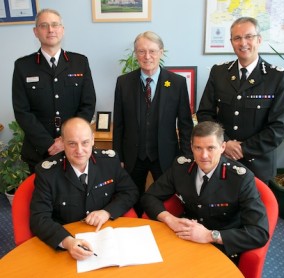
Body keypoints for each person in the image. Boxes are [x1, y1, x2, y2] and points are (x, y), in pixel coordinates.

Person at [141, 121, 269, 264]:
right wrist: (170, 219)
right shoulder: (181, 167)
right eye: (198, 148)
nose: (204, 155)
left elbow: (259, 233)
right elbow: (149, 197)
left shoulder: (241, 179)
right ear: (191, 147)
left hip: (221, 247)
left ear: (222, 147)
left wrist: (210, 236)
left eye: (211, 148)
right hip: (185, 238)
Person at [196, 17, 284, 184]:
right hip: (221, 161)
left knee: (256, 210)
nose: (243, 43)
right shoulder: (219, 72)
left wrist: (242, 149)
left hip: (258, 166)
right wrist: (225, 142)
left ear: (259, 40)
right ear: (231, 42)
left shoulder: (277, 77)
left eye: (249, 36)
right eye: (237, 38)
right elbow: (205, 114)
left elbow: (278, 127)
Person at [30, 117, 138, 260]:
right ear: (62, 142)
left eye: (85, 142)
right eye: (72, 144)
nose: (80, 151)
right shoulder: (47, 174)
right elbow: (39, 218)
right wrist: (68, 242)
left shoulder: (109, 163)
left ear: (93, 140)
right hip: (67, 241)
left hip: (104, 238)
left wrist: (107, 212)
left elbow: (130, 191)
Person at [113, 31, 193, 216]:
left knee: (167, 200)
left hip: (165, 156)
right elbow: (119, 124)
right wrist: (119, 157)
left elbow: (185, 124)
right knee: (132, 197)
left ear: (161, 52)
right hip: (133, 156)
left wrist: (185, 156)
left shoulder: (177, 83)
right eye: (141, 51)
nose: (147, 56)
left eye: (152, 51)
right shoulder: (123, 82)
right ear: (135, 54)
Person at [12, 9, 96, 173]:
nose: (50, 30)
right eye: (44, 26)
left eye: (55, 25)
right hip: (39, 152)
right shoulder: (23, 66)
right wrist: (48, 144)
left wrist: (66, 141)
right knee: (42, 197)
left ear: (62, 30)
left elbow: (88, 104)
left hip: (74, 150)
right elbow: (22, 111)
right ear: (36, 32)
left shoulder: (80, 62)